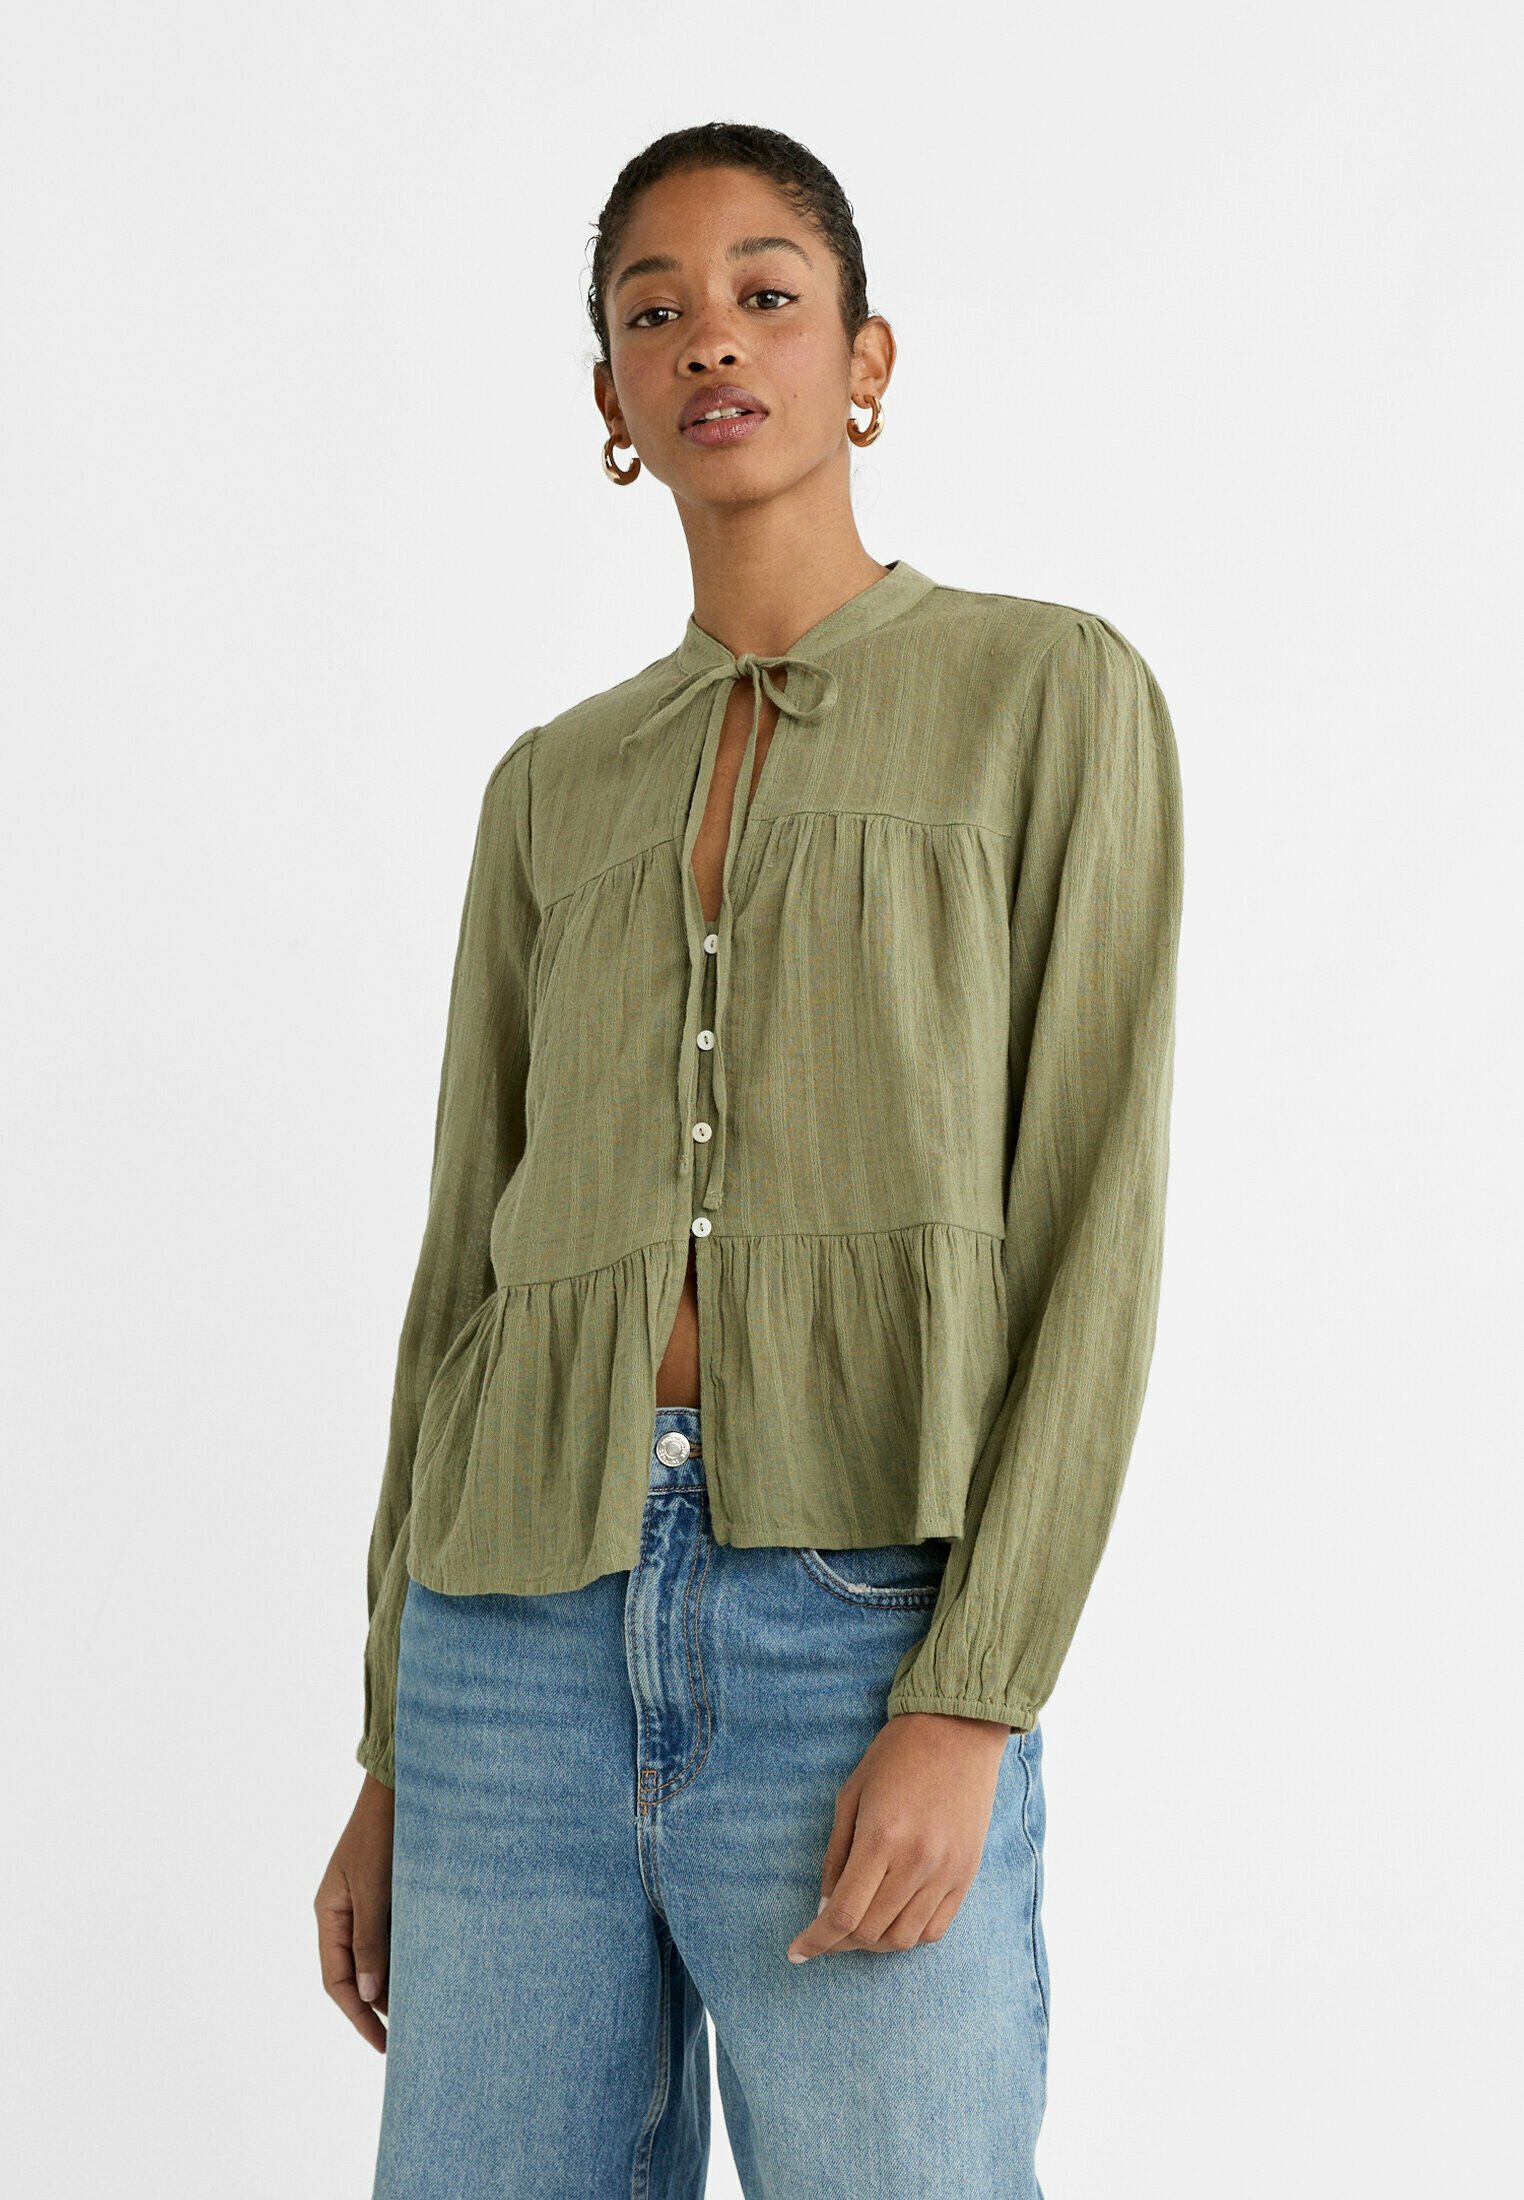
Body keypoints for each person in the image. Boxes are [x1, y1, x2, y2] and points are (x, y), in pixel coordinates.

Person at [314, 120, 1184, 2200]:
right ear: (612, 398)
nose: (711, 337)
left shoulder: (1046, 694)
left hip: (854, 1621)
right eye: (656, 310)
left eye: (766, 294)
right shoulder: (549, 787)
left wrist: (974, 1697)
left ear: (865, 357)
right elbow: (463, 1273)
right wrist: (394, 1742)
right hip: (509, 1633)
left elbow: (1096, 1223)